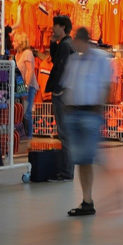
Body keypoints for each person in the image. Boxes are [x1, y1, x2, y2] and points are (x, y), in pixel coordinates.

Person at [61, 27, 112, 217]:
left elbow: (107, 85)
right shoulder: (74, 60)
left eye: (76, 40)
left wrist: (100, 108)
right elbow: (68, 84)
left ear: (82, 40)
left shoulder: (100, 58)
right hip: (75, 113)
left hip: (91, 113)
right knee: (82, 160)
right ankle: (87, 200)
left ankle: (115, 189)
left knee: (91, 157)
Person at [48, 15, 75, 182]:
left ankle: (66, 172)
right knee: (65, 133)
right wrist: (52, 42)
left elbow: (60, 69)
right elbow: (55, 59)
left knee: (64, 133)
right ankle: (66, 170)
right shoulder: (66, 44)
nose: (53, 28)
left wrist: (58, 90)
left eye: (55, 26)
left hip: (63, 94)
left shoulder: (66, 46)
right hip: (67, 93)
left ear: (62, 27)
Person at [13, 31, 39, 141]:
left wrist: (26, 87)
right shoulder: (16, 55)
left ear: (20, 42)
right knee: (20, 112)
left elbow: (30, 70)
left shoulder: (27, 53)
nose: (13, 43)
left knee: (27, 113)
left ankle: (29, 137)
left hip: (29, 86)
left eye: (15, 41)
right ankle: (23, 137)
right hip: (20, 86)